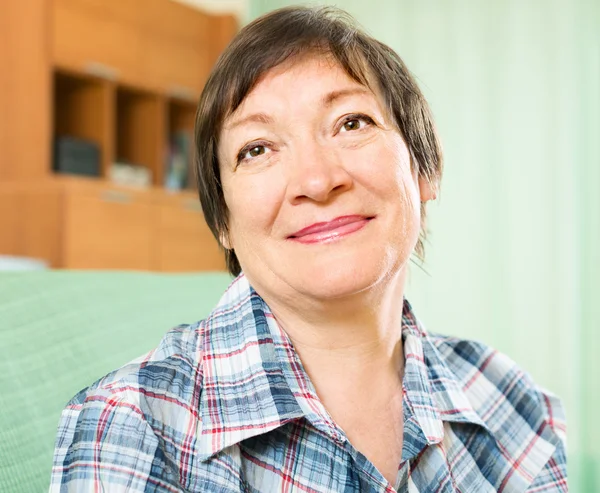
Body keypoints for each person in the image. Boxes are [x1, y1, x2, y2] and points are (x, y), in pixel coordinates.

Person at [51, 6, 567, 492]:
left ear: (424, 169)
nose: (317, 181)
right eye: (257, 150)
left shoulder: (513, 403)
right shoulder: (132, 424)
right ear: (223, 221)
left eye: (352, 123)